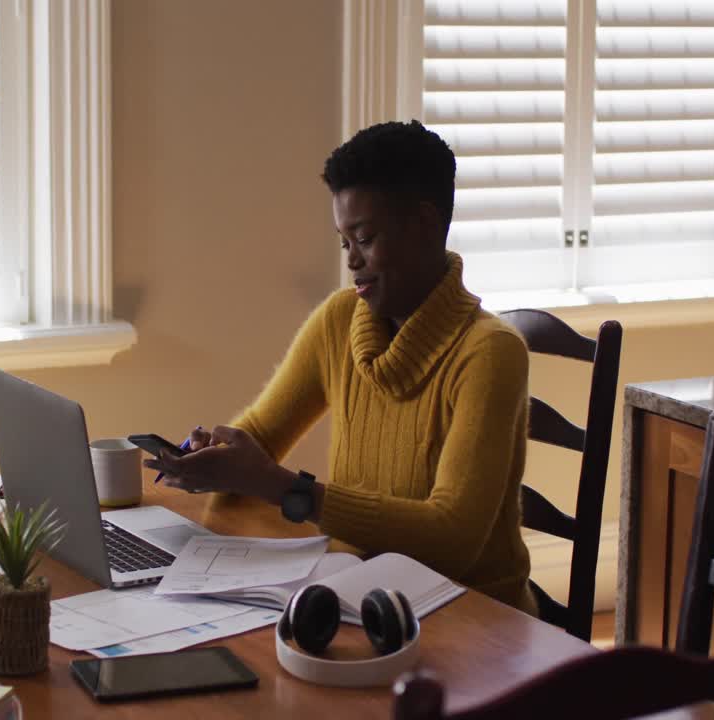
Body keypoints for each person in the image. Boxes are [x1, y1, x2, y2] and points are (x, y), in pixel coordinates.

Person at [144, 120, 535, 615]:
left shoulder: (491, 352)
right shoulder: (340, 319)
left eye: (365, 238)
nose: (352, 260)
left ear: (426, 226)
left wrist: (286, 488)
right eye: (343, 241)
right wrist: (216, 456)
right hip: (361, 591)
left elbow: (454, 538)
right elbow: (263, 432)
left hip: (470, 616)